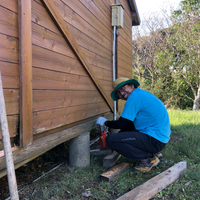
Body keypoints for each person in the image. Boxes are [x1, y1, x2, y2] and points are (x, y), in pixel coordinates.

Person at [96, 77, 171, 173]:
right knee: (122, 133)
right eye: (119, 93)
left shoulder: (134, 97)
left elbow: (121, 123)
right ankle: (153, 152)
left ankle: (148, 158)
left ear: (131, 86)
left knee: (112, 140)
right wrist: (121, 133)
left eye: (123, 89)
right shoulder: (140, 94)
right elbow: (127, 125)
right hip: (159, 137)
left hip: (155, 139)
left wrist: (105, 122)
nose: (122, 94)